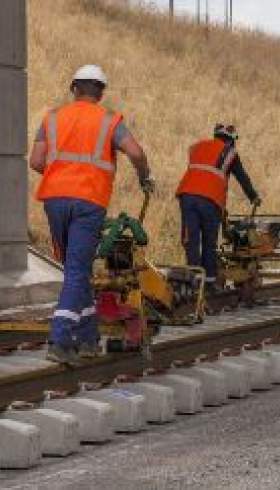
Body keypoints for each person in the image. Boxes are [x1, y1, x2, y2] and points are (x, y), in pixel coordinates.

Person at [29, 65, 154, 365]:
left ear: (74, 88)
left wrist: (63, 174)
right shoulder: (109, 121)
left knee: (77, 270)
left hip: (55, 199)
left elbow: (36, 161)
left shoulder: (52, 118)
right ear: (101, 92)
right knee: (76, 270)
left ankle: (87, 340)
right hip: (88, 201)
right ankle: (59, 339)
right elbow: (136, 153)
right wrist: (144, 176)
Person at [176, 124, 261, 291]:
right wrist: (253, 196)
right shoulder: (229, 153)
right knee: (209, 242)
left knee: (190, 240)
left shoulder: (197, 147)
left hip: (187, 196)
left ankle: (193, 282)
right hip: (210, 200)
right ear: (231, 141)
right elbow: (242, 177)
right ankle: (209, 284)